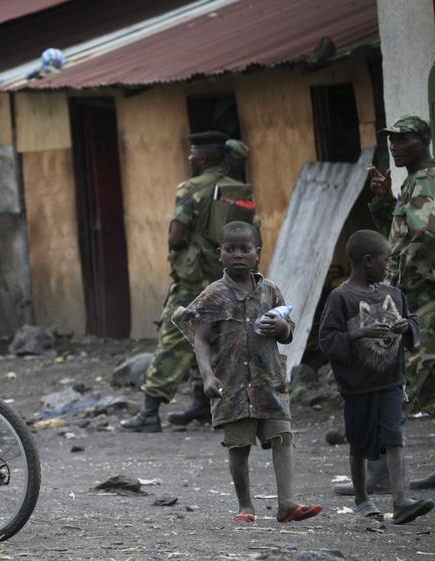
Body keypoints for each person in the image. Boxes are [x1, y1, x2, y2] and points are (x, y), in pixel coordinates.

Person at [172, 221, 321, 523]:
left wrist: (282, 327)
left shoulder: (271, 291)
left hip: (269, 380)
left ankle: (287, 504)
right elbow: (200, 338)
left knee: (282, 435)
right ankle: (245, 507)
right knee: (238, 446)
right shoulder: (214, 294)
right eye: (230, 249)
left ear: (257, 253)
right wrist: (207, 375)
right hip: (232, 385)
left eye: (245, 249)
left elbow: (288, 332)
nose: (237, 254)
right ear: (220, 254)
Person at [120, 132, 259, 432]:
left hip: (193, 278)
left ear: (206, 157)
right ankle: (201, 404)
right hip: (225, 278)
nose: (189, 158)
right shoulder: (241, 189)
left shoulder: (191, 188)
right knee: (216, 338)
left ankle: (149, 412)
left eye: (193, 152)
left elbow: (176, 237)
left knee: (173, 338)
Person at [365, 115, 435, 491]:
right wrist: (382, 201)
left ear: (423, 141)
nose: (394, 145)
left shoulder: (423, 180)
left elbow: (424, 235)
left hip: (421, 297)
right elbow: (404, 231)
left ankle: (378, 476)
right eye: (392, 139)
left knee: (392, 376)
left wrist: (395, 281)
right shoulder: (425, 178)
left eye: (404, 139)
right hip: (434, 295)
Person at [319, 230, 434, 524]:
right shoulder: (340, 298)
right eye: (386, 260)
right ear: (367, 261)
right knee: (359, 443)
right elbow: (328, 340)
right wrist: (360, 333)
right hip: (357, 386)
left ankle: (400, 501)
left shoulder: (393, 294)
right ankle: (362, 499)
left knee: (394, 437)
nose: (389, 267)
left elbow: (412, 320)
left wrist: (406, 327)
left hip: (391, 381)